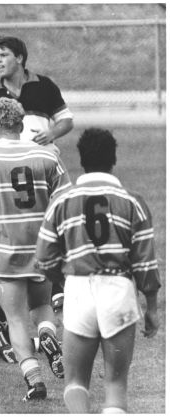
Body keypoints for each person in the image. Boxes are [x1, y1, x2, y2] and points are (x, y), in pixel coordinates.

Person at [35, 128, 161, 413]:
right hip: (118, 291)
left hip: (79, 289)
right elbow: (145, 262)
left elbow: (43, 258)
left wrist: (66, 282)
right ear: (113, 160)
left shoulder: (62, 202)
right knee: (116, 386)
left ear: (81, 161)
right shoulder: (132, 202)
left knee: (76, 383)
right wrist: (151, 307)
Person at [0, 97, 72, 401]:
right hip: (42, 249)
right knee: (42, 306)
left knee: (16, 318)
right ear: (21, 125)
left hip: (5, 252)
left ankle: (34, 381)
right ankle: (47, 333)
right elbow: (66, 201)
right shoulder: (47, 157)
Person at [0, 35, 74, 154]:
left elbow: (66, 120)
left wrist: (51, 134)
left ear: (19, 58)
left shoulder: (44, 85)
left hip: (40, 159)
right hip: (6, 162)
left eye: (3, 55)